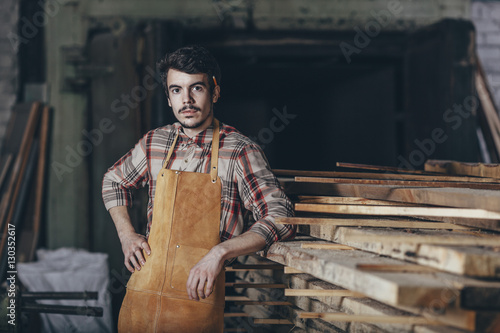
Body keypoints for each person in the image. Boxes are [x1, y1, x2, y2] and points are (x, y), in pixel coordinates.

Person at [102, 45, 295, 332]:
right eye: (177, 90)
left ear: (215, 92)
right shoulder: (154, 143)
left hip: (198, 300)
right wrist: (127, 235)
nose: (187, 99)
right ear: (168, 98)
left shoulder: (239, 151)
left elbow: (280, 216)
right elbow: (114, 181)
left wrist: (219, 253)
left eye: (197, 88)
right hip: (142, 294)